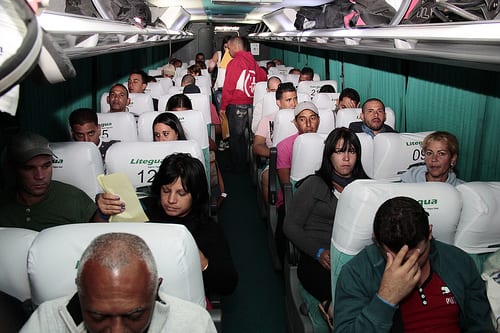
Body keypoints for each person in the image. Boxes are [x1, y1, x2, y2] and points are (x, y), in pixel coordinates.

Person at [333, 196, 493, 332]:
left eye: (418, 255)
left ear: (430, 232)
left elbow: (480, 325)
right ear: (376, 240)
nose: (407, 264)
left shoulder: (459, 261)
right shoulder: (356, 273)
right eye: (396, 258)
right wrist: (386, 298)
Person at [97, 154, 238, 298]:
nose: (171, 200)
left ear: (196, 195)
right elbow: (97, 240)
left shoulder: (207, 230)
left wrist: (201, 262)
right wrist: (102, 212)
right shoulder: (143, 208)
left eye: (181, 193)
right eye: (166, 191)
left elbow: (228, 283)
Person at [20, 232, 217, 332]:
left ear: (155, 289)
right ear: (80, 292)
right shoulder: (45, 323)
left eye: (134, 316)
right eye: (98, 317)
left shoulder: (193, 325)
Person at [284, 128, 369, 328]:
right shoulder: (314, 184)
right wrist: (319, 252)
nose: (346, 158)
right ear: (329, 155)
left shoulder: (367, 187)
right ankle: (330, 308)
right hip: (320, 258)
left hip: (357, 257)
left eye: (352, 151)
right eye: (339, 152)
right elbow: (290, 225)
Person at [0, 131, 101, 231]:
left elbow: (96, 234)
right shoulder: (4, 202)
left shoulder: (74, 199)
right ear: (12, 169)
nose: (40, 176)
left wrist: (102, 214)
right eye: (29, 168)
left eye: (46, 166)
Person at [275, 101, 320, 262]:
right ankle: (283, 261)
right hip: (292, 198)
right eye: (302, 119)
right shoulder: (285, 146)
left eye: (313, 118)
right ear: (295, 122)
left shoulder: (329, 142)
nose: (308, 124)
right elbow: (286, 184)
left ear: (319, 120)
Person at [220, 36, 267, 172]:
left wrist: (223, 107)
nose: (228, 51)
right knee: (248, 137)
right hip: (251, 104)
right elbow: (262, 78)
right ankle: (248, 164)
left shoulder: (235, 62)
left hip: (236, 105)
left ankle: (238, 167)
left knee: (236, 138)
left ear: (235, 47)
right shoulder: (253, 62)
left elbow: (229, 86)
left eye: (229, 48)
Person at [253, 82, 297, 204]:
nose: (294, 104)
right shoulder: (267, 120)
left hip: (299, 160)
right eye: (288, 100)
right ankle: (273, 214)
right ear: (278, 102)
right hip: (274, 160)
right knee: (267, 177)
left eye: (295, 99)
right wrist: (275, 154)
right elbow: (256, 146)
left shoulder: (303, 118)